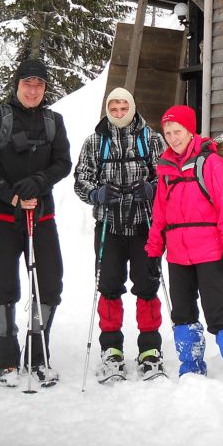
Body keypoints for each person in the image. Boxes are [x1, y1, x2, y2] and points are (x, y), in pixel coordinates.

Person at [0, 57, 72, 388]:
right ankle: (7, 356)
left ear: (45, 89)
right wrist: (12, 195)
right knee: (5, 287)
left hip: (41, 216)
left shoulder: (53, 120)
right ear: (17, 85)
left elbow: (63, 163)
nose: (33, 90)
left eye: (39, 85)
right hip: (1, 217)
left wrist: (40, 182)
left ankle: (37, 353)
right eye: (27, 84)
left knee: (50, 283)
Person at [145, 105, 223, 386]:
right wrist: (153, 250)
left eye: (177, 131)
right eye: (168, 132)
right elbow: (160, 213)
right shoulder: (166, 169)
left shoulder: (210, 163)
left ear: (189, 130)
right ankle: (191, 366)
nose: (173, 137)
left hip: (210, 251)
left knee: (217, 312)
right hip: (178, 255)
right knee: (182, 313)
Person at [74, 87, 167, 381]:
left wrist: (151, 188)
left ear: (132, 107)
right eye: (113, 108)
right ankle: (111, 350)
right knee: (109, 286)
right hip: (109, 227)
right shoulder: (95, 141)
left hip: (144, 225)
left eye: (122, 107)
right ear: (107, 110)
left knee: (147, 285)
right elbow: (81, 179)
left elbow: (166, 174)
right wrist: (97, 193)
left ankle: (150, 350)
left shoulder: (151, 139)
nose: (118, 113)